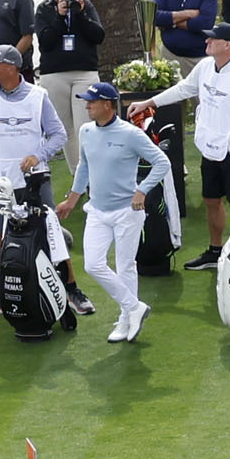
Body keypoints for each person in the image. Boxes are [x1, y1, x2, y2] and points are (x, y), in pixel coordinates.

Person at [70, 80, 161, 341]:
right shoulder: (86, 131)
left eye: (92, 101)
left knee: (125, 267)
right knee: (93, 264)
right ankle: (134, 307)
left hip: (127, 212)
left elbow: (160, 162)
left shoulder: (131, 134)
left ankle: (125, 318)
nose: (87, 105)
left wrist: (142, 190)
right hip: (97, 211)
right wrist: (72, 199)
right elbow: (83, 166)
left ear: (108, 105)